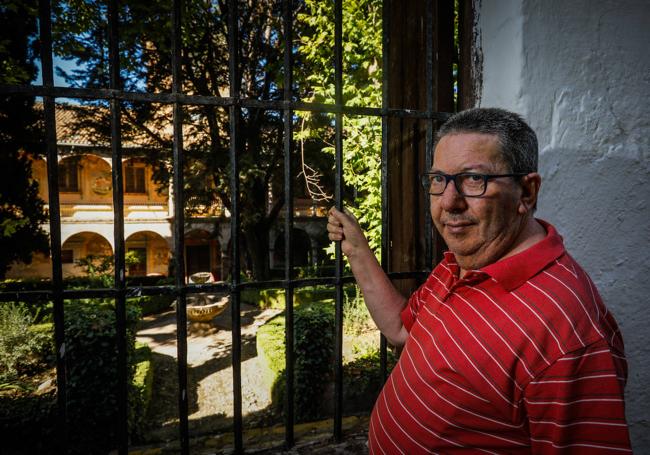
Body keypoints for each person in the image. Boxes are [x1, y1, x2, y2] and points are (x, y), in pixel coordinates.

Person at [327, 108, 631, 453]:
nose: (448, 203)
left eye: (474, 179)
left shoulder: (567, 330)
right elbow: (401, 330)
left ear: (526, 192)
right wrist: (357, 250)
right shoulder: (461, 262)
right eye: (438, 179)